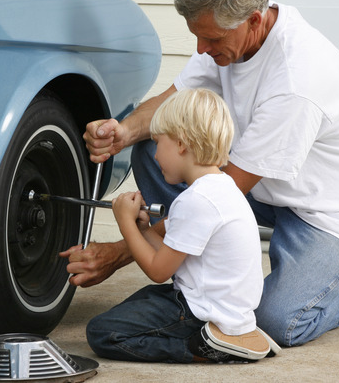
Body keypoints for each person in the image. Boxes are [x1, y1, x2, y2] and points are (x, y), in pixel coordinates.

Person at [61, 0, 339, 348]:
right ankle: (193, 260)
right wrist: (123, 131)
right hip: (266, 188)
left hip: (328, 214)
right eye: (197, 36)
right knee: (155, 147)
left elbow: (222, 192)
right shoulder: (228, 42)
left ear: (254, 20)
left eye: (212, 39)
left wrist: (121, 249)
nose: (201, 49)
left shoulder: (297, 80)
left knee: (274, 322)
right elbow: (171, 107)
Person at [85, 88, 276, 363]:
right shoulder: (220, 188)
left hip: (203, 312)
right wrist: (142, 230)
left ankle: (202, 348)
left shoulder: (196, 201)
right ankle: (225, 337)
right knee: (139, 303)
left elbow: (158, 270)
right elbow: (170, 252)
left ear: (182, 144)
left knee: (102, 331)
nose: (155, 155)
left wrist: (125, 222)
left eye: (158, 143)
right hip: (221, 306)